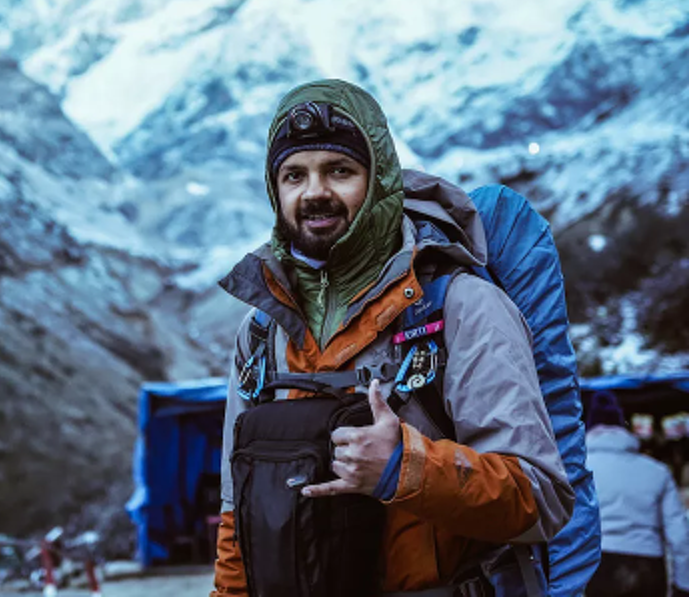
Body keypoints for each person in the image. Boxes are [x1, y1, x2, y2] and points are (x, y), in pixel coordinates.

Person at [211, 79, 575, 596]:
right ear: (276, 191)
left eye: (339, 170)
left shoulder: (461, 307)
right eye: (294, 175)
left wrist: (405, 468)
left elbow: (539, 499)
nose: (314, 192)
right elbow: (237, 520)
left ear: (379, 178)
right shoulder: (261, 333)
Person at [585, 390, 689, 597]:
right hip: (648, 568)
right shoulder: (657, 471)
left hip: (594, 566)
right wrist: (683, 585)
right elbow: (679, 535)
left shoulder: (577, 470)